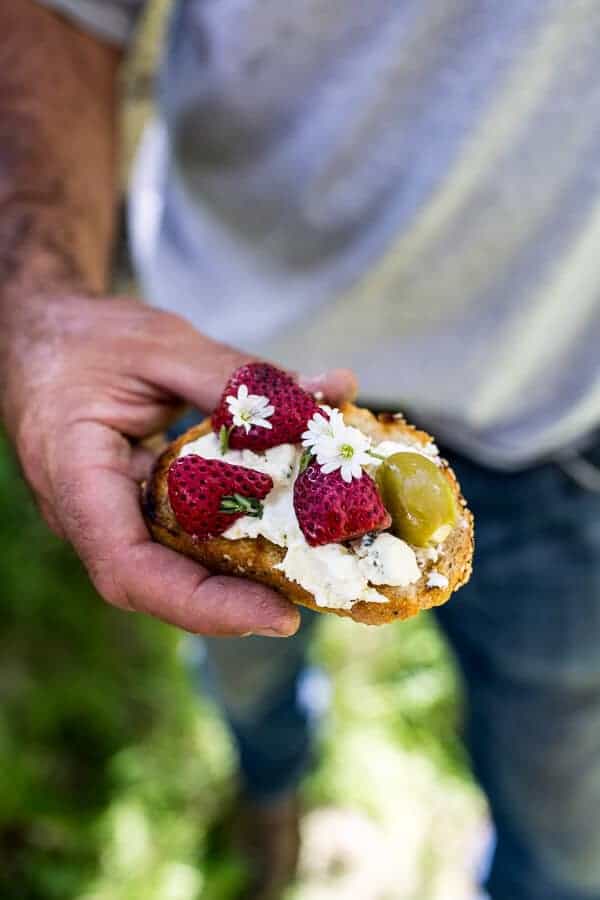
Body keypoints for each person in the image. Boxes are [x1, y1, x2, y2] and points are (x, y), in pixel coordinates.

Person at [1, 2, 599, 898]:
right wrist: (37, 306)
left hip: (558, 398)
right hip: (216, 373)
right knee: (244, 668)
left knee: (565, 805)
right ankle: (270, 787)